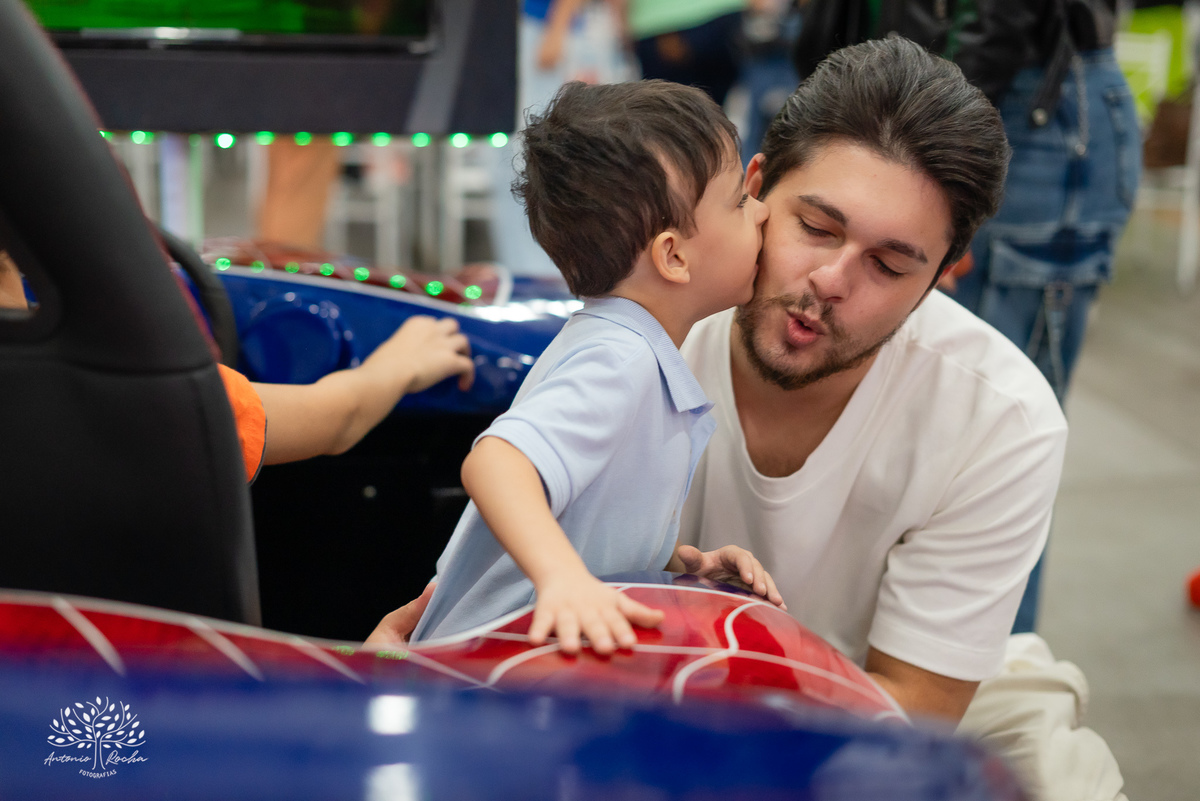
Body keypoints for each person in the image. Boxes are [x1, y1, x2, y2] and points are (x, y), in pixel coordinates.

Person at [791, 0, 1139, 634]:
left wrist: (928, 155)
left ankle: (953, 691)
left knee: (988, 448)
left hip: (1016, 112)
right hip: (925, 101)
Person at [412, 79, 782, 651]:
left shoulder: (631, 350)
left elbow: (593, 518)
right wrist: (563, 579)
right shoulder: (620, 359)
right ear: (674, 255)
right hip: (476, 670)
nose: (762, 212)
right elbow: (497, 463)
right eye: (739, 200)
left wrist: (680, 562)